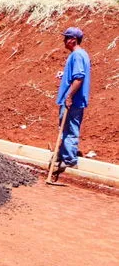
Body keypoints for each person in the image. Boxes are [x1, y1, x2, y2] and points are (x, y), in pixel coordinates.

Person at [51, 27, 91, 180]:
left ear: (73, 40)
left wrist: (69, 97)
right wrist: (64, 75)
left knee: (69, 129)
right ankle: (64, 155)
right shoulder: (79, 55)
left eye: (66, 38)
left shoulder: (78, 55)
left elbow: (79, 78)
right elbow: (75, 75)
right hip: (73, 100)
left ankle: (69, 160)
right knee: (66, 128)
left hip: (73, 102)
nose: (64, 41)